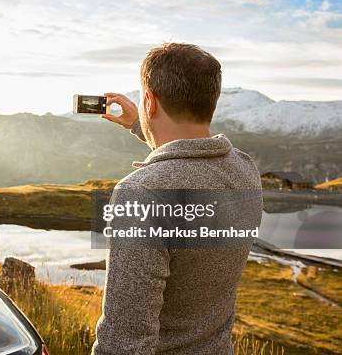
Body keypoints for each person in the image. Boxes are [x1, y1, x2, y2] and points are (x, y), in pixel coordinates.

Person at [92, 43, 263, 355]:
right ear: (210, 100)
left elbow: (123, 342)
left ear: (149, 101)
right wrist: (138, 124)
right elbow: (195, 160)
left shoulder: (142, 194)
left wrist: (143, 121)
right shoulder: (244, 168)